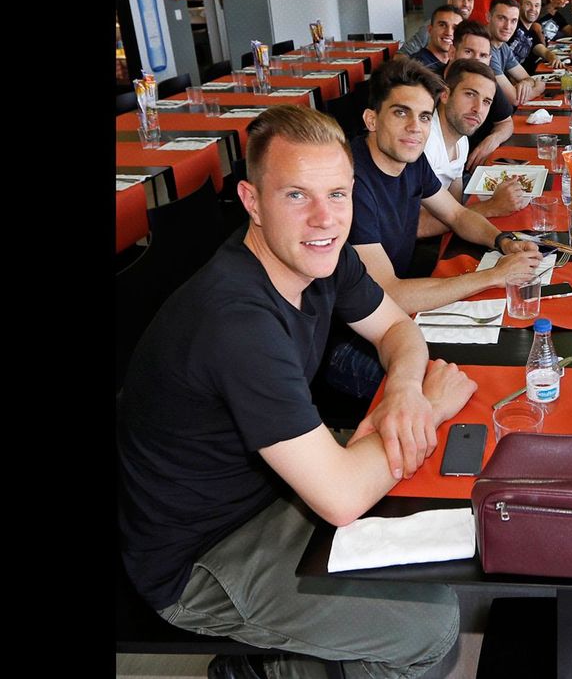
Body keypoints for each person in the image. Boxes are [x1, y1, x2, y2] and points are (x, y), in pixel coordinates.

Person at [118, 104, 477, 679]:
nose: (324, 219)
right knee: (429, 628)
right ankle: (263, 670)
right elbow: (339, 495)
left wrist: (407, 389)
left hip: (269, 481)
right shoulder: (236, 322)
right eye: (296, 196)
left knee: (445, 495)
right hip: (200, 554)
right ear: (252, 202)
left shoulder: (323, 256)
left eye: (338, 194)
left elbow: (396, 328)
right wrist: (430, 408)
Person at [325, 58, 542, 397]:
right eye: (401, 113)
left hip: (391, 323)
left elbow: (456, 215)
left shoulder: (411, 159)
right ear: (372, 119)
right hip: (348, 341)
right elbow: (390, 292)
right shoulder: (352, 184)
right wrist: (493, 275)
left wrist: (503, 241)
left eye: (424, 116)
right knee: (471, 387)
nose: (415, 127)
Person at [419, 58, 527, 233]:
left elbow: (455, 205)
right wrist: (490, 207)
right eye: (470, 94)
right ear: (445, 95)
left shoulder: (461, 139)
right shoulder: (423, 143)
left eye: (486, 102)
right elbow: (416, 226)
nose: (478, 108)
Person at [450, 20, 516, 170]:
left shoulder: (487, 83)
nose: (476, 61)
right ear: (452, 53)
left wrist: (492, 140)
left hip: (478, 167)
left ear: (489, 60)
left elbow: (506, 122)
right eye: (468, 52)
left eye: (483, 55)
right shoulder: (432, 86)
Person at [485, 0, 546, 105]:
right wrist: (539, 89)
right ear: (488, 17)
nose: (507, 26)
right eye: (502, 18)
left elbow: (527, 78)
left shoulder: (503, 46)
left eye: (513, 21)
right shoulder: (484, 49)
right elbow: (514, 99)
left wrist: (526, 83)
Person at [400, 0, 474, 56]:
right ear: (450, 1)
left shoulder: (473, 28)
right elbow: (401, 55)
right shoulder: (433, 26)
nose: (466, 4)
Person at [512, 0, 564, 73]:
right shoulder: (511, 27)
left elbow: (544, 51)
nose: (533, 9)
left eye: (536, 5)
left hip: (527, 78)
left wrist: (553, 57)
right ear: (520, 5)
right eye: (528, 4)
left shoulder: (532, 33)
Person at [409, 4, 463, 72]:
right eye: (442, 25)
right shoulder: (418, 67)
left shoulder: (457, 63)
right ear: (430, 29)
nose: (449, 33)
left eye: (455, 28)